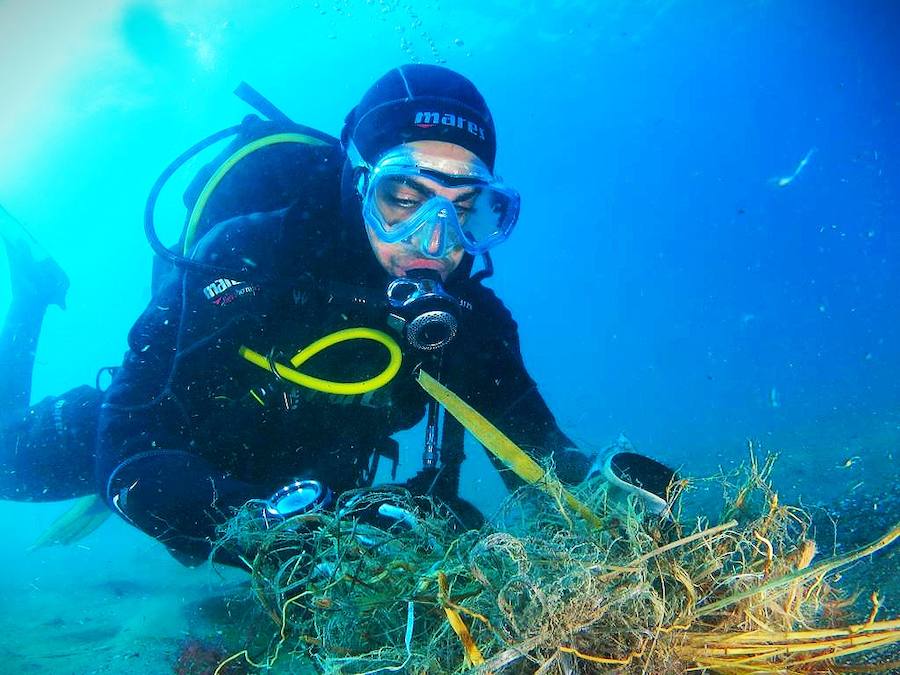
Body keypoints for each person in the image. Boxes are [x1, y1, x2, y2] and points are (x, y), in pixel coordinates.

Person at [3, 65, 674, 566]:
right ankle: (33, 294)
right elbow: (127, 452)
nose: (434, 240)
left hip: (300, 493)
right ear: (358, 184)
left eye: (466, 209)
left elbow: (538, 456)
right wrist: (277, 530)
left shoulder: (470, 320)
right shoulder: (244, 259)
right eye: (403, 198)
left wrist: (604, 489)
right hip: (183, 444)